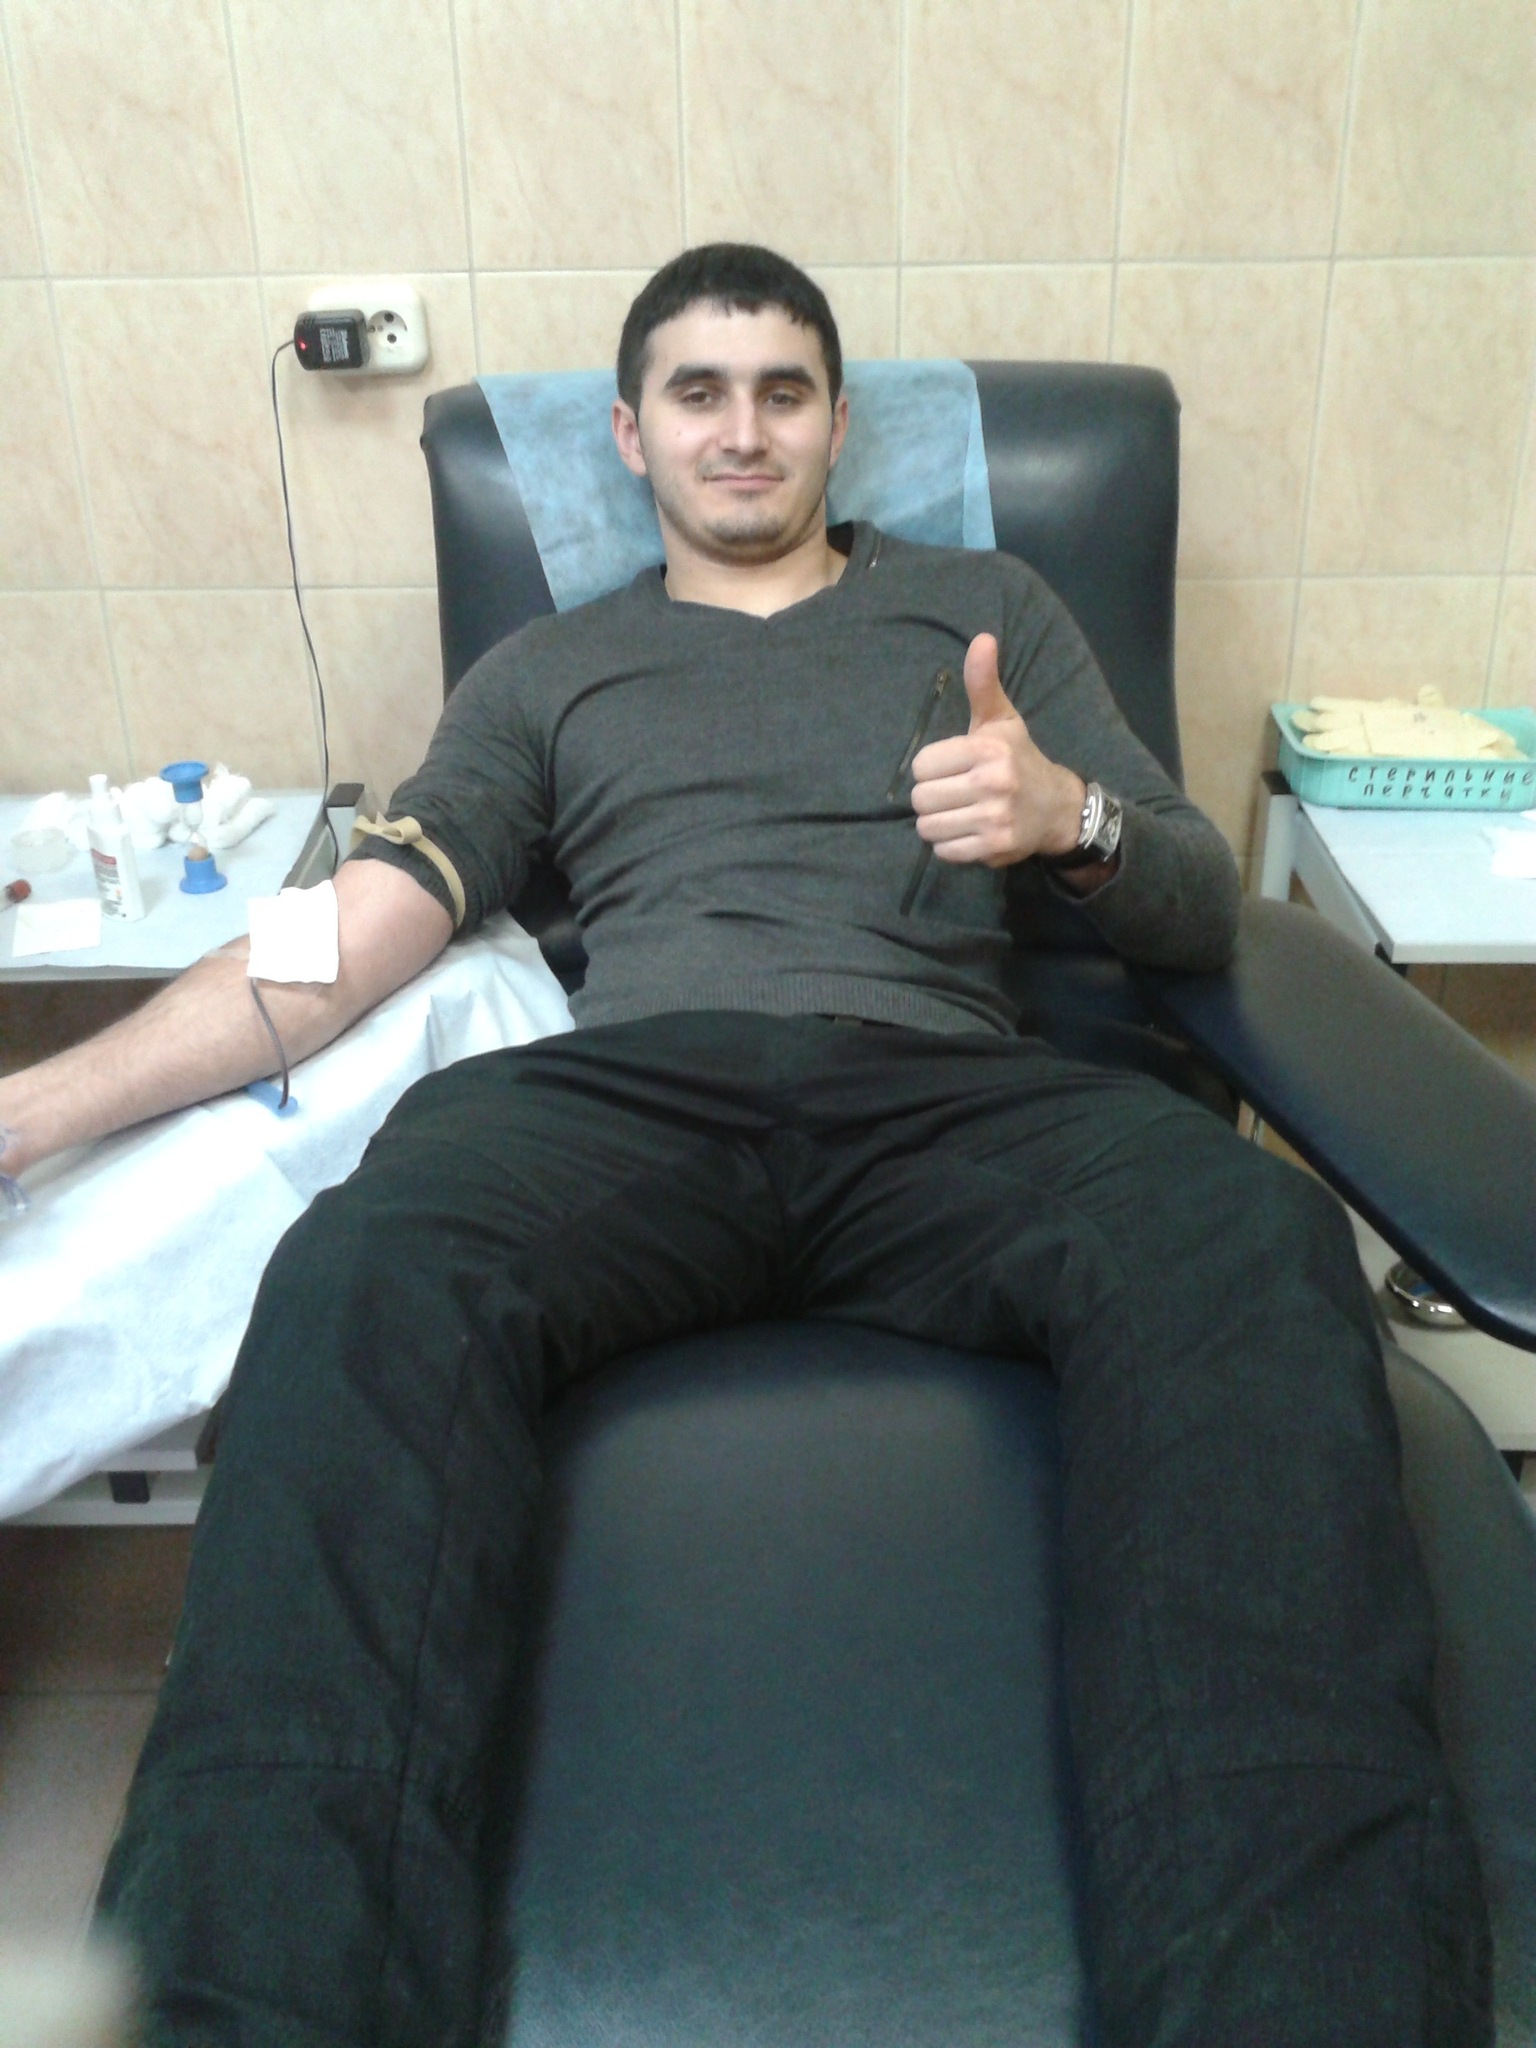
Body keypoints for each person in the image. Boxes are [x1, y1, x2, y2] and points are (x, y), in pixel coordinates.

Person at [0, 244, 1490, 2047]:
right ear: (631, 435)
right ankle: (255, 1998)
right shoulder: (552, 670)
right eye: (697, 393)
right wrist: (33, 1112)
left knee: (1245, 1238)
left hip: (944, 1091)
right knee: (362, 1268)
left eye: (784, 391)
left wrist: (1066, 815)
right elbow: (350, 935)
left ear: (839, 425)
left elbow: (1187, 901)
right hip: (638, 1096)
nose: (743, 430)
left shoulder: (983, 610)